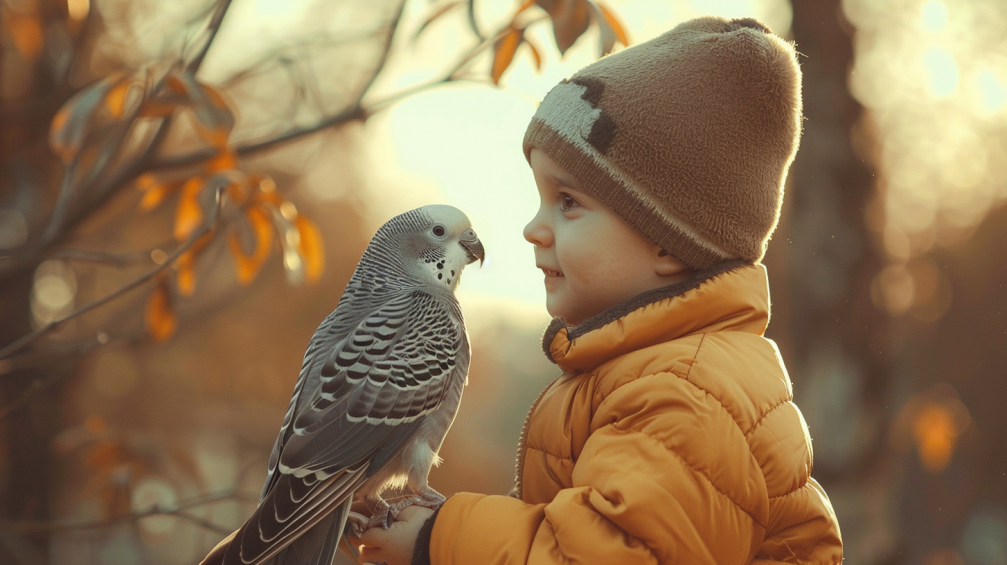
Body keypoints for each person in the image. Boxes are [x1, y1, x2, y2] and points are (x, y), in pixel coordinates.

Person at [353, 16, 843, 565]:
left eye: (567, 202)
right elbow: (574, 533)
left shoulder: (685, 397)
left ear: (667, 241)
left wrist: (439, 541)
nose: (533, 229)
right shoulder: (639, 375)